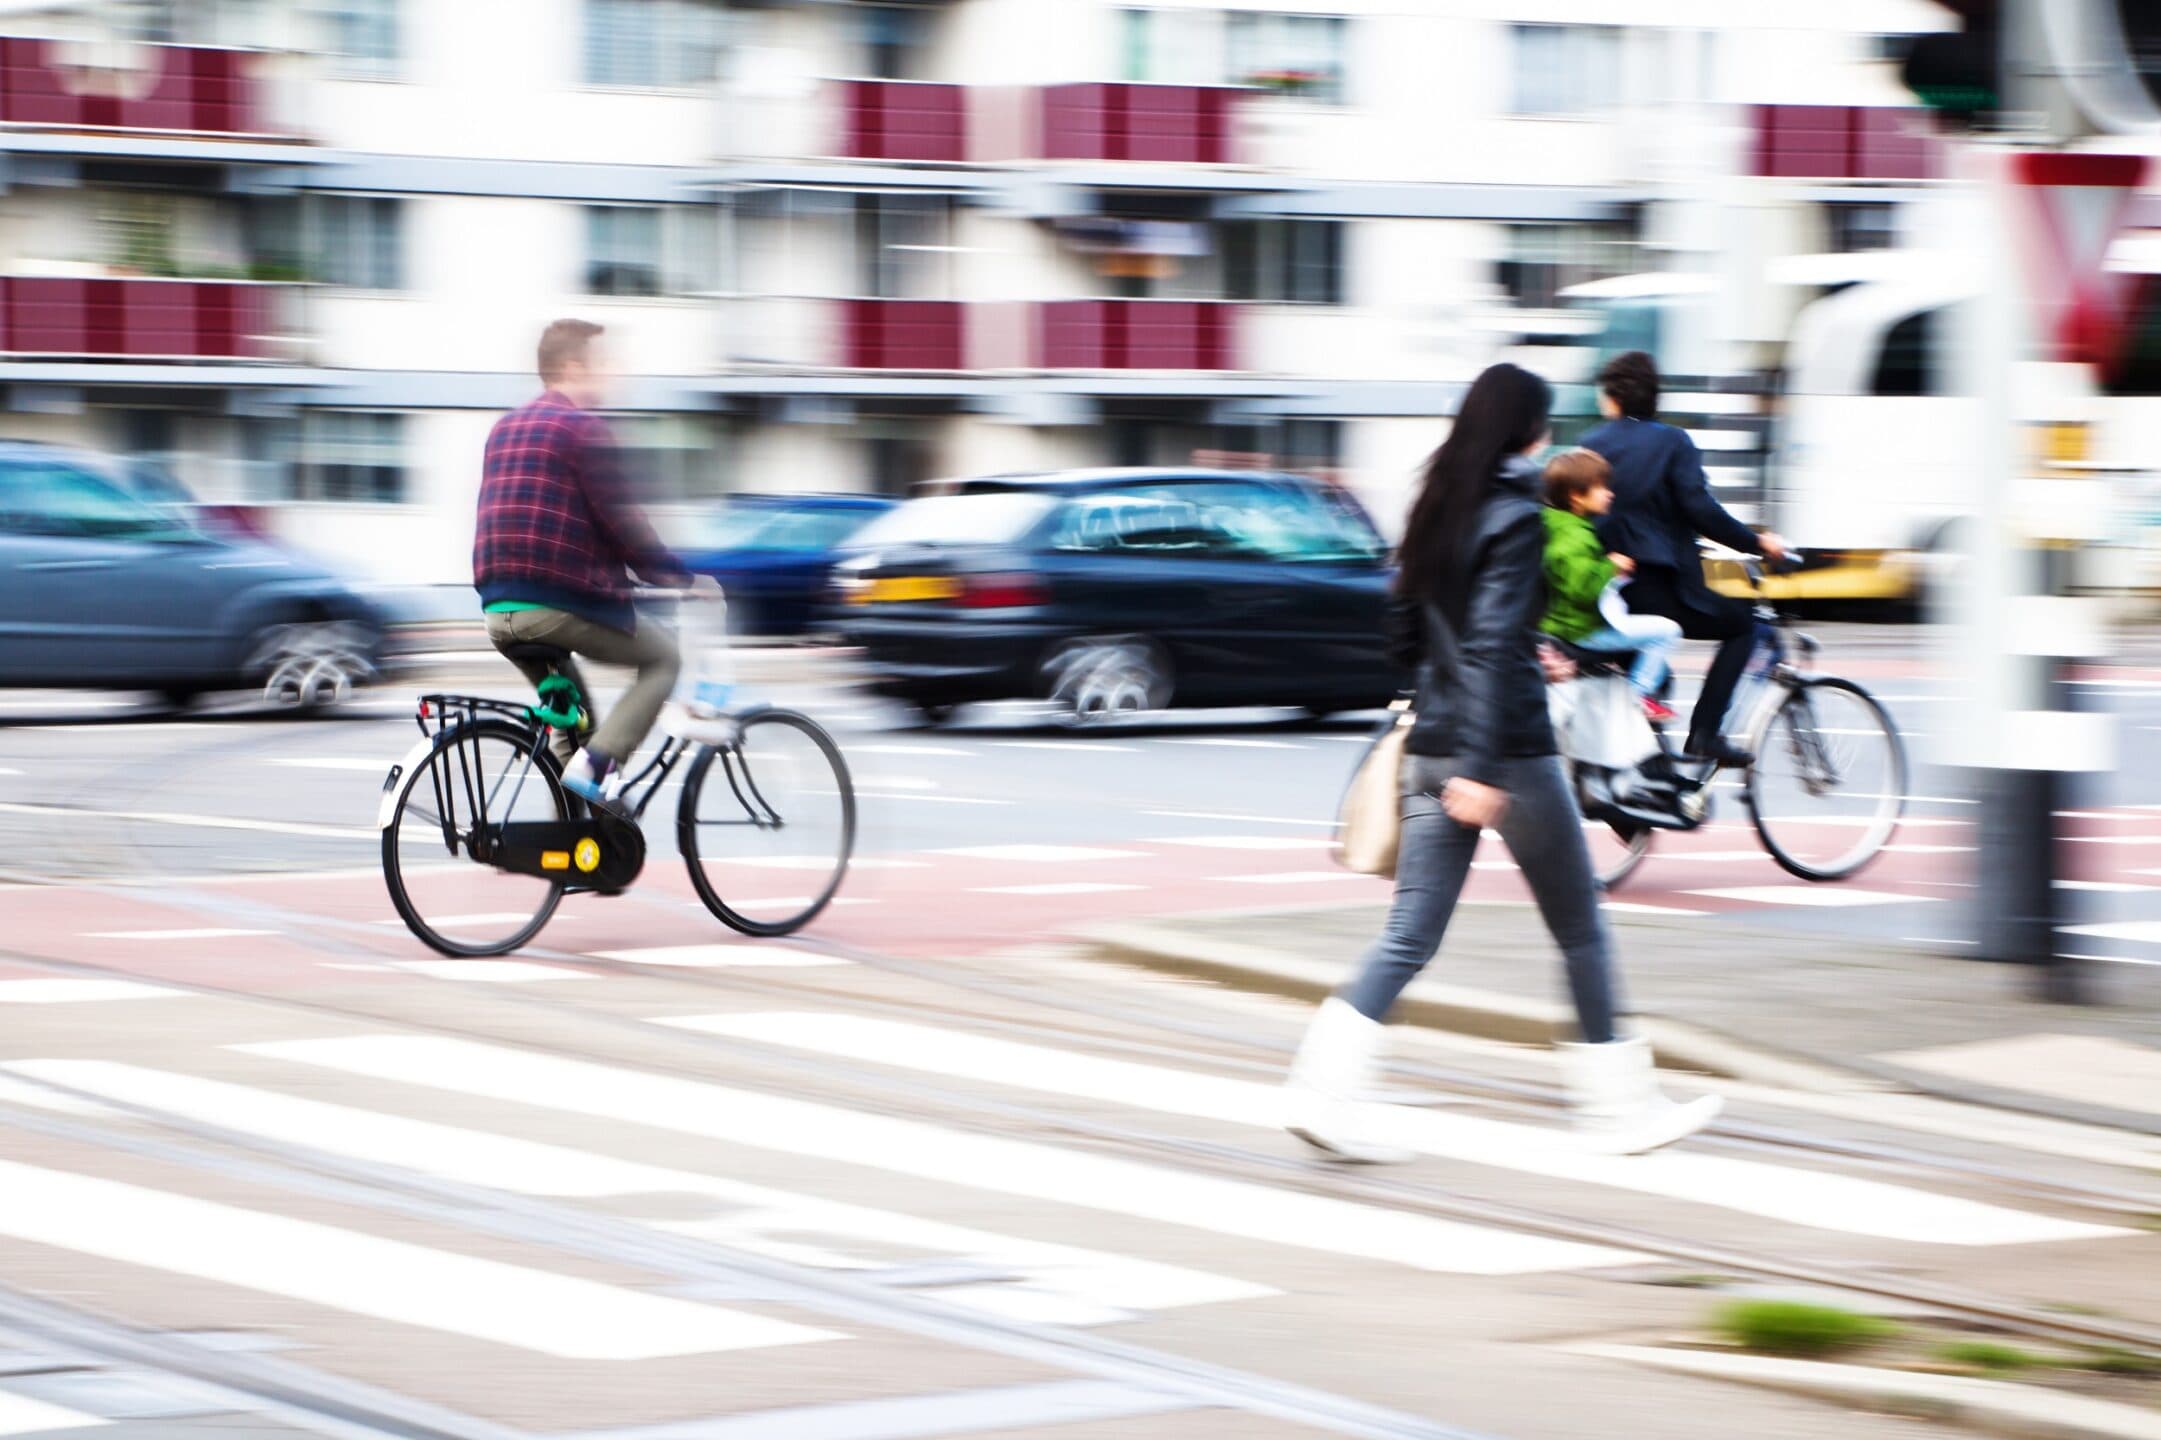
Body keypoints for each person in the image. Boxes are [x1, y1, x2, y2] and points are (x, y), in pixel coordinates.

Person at [1282, 363, 1721, 1159]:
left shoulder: (1435, 507)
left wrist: (1520, 658)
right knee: (1580, 927)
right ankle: (1616, 1109)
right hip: (1504, 753)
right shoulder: (1516, 516)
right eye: (1545, 426)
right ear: (1527, 432)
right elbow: (1486, 644)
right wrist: (1482, 765)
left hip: (1428, 741)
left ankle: (1320, 1088)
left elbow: (1411, 633)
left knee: (1409, 936)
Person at [475, 318, 691, 804]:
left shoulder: (503, 429)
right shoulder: (583, 429)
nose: (612, 374)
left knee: (574, 721)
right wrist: (681, 577)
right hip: (555, 605)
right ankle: (599, 764)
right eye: (603, 364)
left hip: (497, 608)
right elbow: (624, 525)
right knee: (665, 657)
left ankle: (574, 845)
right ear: (573, 367)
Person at [1580, 351, 1787, 767]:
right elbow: (1700, 509)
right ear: (1654, 398)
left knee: (1657, 678)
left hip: (1603, 589)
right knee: (1742, 625)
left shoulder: (1590, 445)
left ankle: (1637, 783)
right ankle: (1706, 733)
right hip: (1657, 585)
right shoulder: (1673, 442)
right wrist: (1756, 542)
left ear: (1611, 398)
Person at [1537, 447, 1681, 722]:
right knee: (1666, 631)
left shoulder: (1561, 526)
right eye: (1601, 487)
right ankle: (1637, 697)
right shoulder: (1572, 536)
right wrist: (1609, 567)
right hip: (1581, 629)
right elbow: (1582, 589)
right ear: (1576, 496)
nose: (1610, 493)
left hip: (1565, 623)